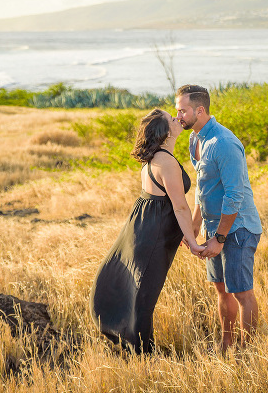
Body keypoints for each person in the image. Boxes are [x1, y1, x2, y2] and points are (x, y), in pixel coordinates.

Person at [90, 109, 206, 354]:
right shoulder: (165, 162)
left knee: (139, 288)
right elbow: (180, 206)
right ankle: (142, 352)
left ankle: (132, 344)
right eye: (172, 119)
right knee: (144, 293)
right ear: (165, 132)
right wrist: (193, 242)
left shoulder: (156, 158)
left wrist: (185, 232)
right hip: (153, 235)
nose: (177, 119)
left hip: (145, 227)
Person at [175, 84, 263, 353]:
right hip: (215, 227)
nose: (177, 116)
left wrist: (220, 238)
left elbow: (234, 196)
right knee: (222, 290)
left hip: (237, 228)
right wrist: (194, 226)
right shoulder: (195, 139)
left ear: (199, 110)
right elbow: (204, 188)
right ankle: (226, 344)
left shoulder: (223, 143)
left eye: (182, 110)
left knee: (242, 292)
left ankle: (247, 352)